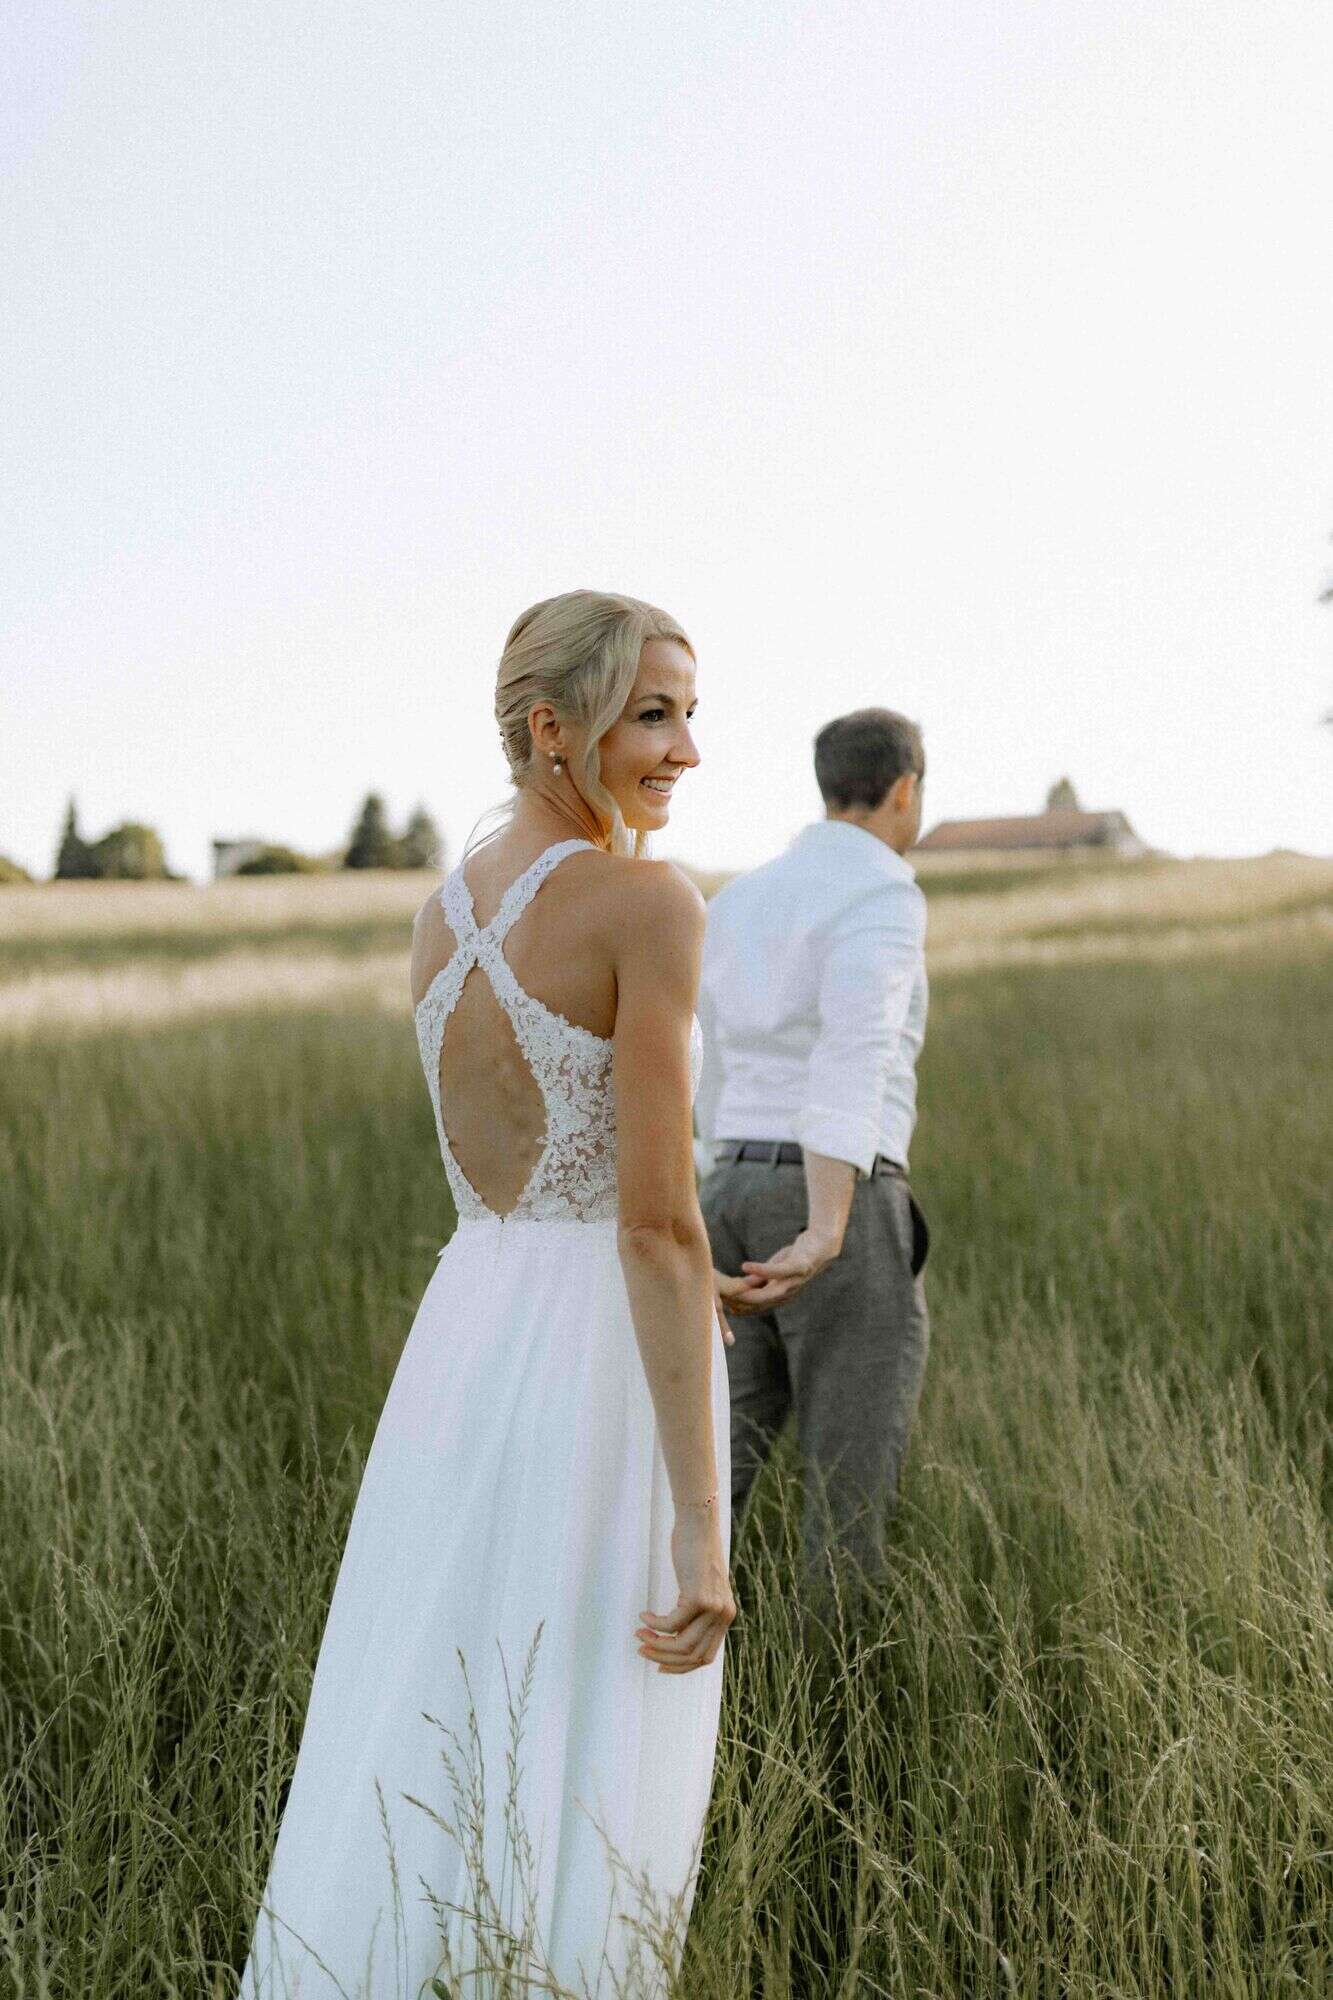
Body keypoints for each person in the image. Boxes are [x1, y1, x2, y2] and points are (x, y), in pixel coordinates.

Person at [239, 591, 736, 1999]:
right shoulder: (648, 904)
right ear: (552, 727)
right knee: (583, 1712)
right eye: (654, 713)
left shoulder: (438, 914)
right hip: (597, 1357)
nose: (687, 749)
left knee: (440, 1692)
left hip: (467, 1328)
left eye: (690, 713)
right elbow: (656, 1228)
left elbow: (521, 1171)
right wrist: (703, 1529)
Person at [695, 707, 931, 1587]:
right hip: (830, 1195)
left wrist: (706, 1184)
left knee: (710, 1475)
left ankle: (657, 1659)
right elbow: (853, 1049)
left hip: (727, 1187)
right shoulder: (881, 890)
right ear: (904, 789)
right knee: (846, 1497)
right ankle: (835, 1681)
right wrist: (827, 1226)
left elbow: (701, 1055)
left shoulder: (740, 896)